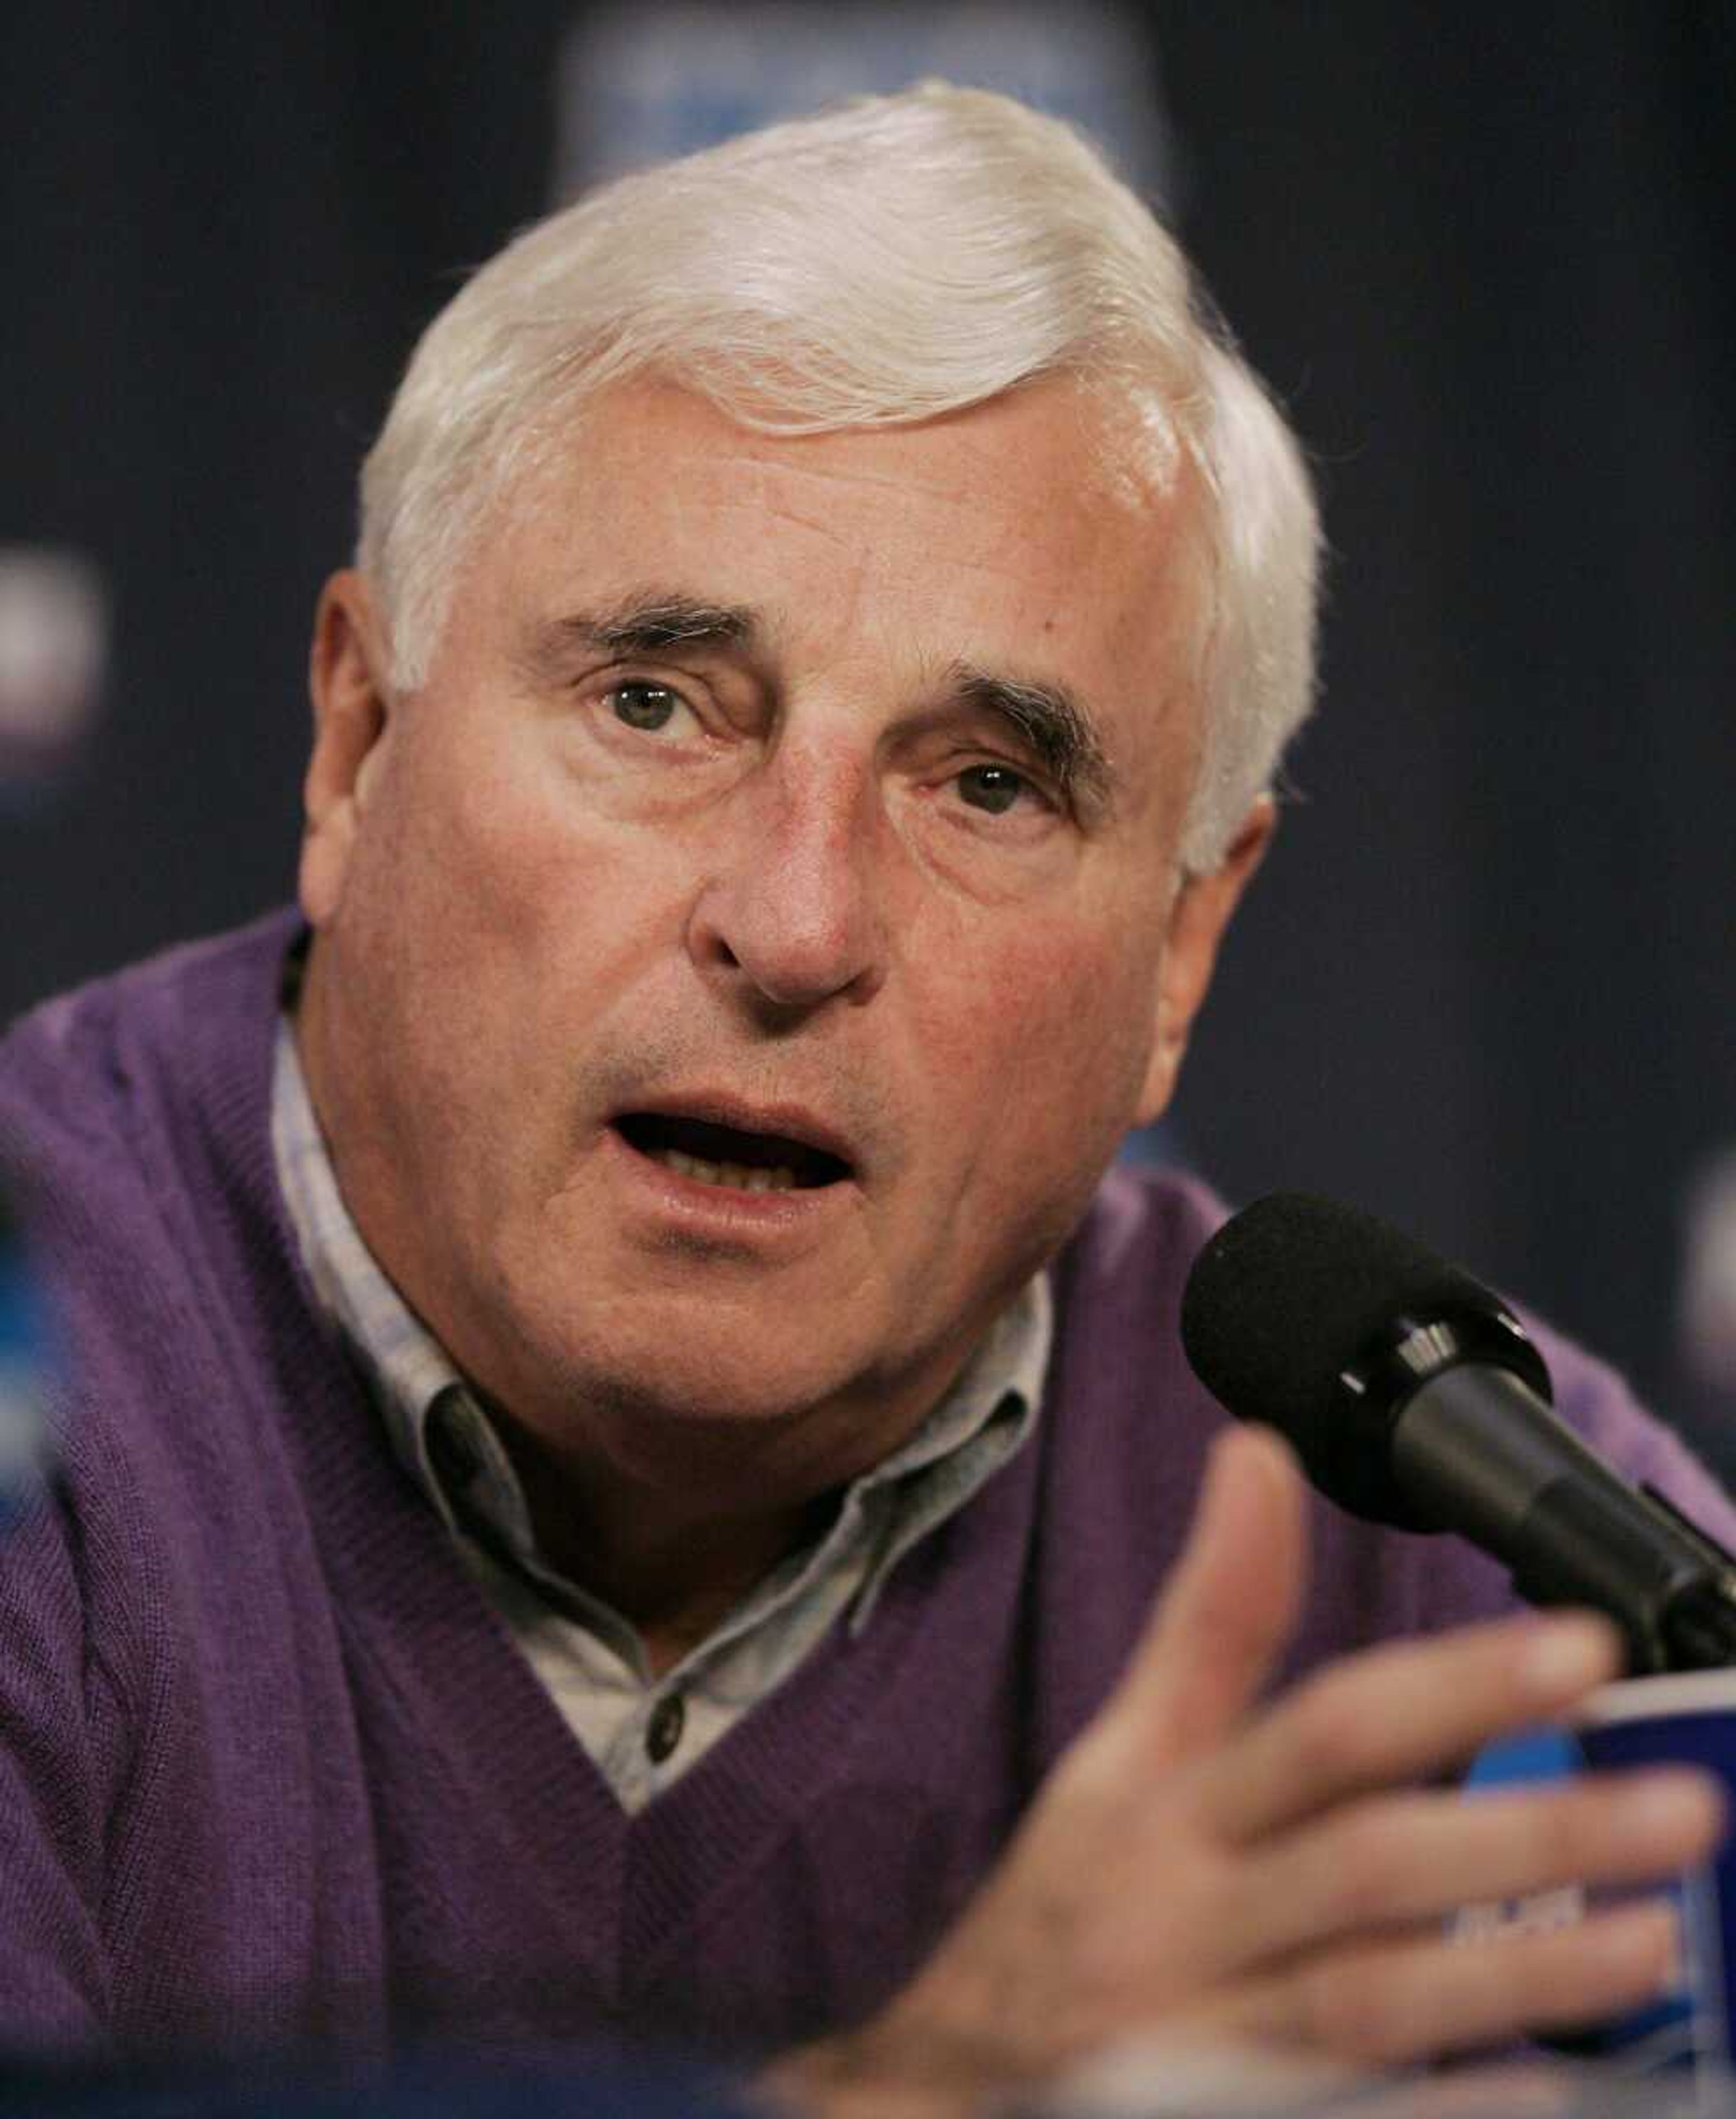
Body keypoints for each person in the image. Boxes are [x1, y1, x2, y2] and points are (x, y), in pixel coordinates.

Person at [0, 83, 1729, 2113]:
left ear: (1181, 948)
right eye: (655, 703)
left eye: (989, 782)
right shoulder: (39, 1388)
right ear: (358, 748)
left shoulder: (1426, 1533)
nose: (798, 919)